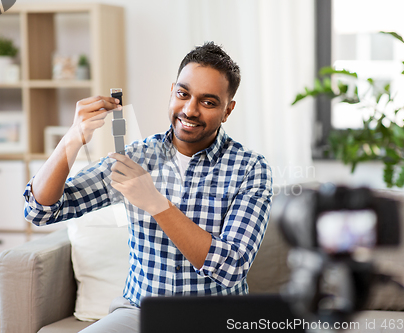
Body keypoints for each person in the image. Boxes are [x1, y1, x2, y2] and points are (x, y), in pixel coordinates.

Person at [23, 41, 273, 332]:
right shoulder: (136, 157)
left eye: (208, 102)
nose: (190, 110)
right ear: (172, 91)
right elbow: (40, 211)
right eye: (183, 94)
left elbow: (231, 267)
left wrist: (155, 203)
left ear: (227, 110)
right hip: (140, 314)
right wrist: (71, 139)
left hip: (217, 319)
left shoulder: (250, 168)